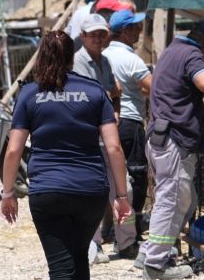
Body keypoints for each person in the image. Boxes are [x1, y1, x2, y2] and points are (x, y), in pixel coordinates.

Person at [0, 30, 132, 280]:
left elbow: (14, 149)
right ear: (72, 58)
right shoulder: (95, 92)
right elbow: (114, 148)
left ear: (41, 57)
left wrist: (8, 193)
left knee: (61, 266)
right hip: (91, 191)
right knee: (79, 257)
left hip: (48, 191)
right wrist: (122, 196)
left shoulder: (28, 94)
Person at [138, 19, 204, 279]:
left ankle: (150, 253)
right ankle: (155, 265)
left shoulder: (172, 49)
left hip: (162, 135)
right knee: (172, 201)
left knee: (185, 201)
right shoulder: (191, 53)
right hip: (175, 138)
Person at [73, 13, 137, 261]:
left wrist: (116, 110)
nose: (99, 39)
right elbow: (95, 96)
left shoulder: (105, 62)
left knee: (125, 189)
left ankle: (127, 242)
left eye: (103, 34)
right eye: (94, 35)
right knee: (92, 193)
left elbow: (113, 92)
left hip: (108, 136)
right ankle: (93, 244)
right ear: (83, 36)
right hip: (88, 138)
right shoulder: (77, 63)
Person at [103, 9, 152, 239]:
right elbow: (154, 87)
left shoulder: (103, 57)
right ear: (123, 32)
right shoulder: (131, 59)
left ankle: (110, 228)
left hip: (108, 124)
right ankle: (132, 230)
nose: (140, 31)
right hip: (130, 121)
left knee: (111, 176)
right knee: (136, 175)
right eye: (134, 28)